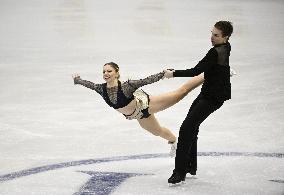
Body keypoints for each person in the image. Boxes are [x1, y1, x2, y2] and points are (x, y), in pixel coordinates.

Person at [72, 62, 204, 157]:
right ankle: (174, 141)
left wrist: (163, 74)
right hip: (138, 115)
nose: (106, 73)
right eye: (104, 71)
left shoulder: (126, 86)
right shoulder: (101, 89)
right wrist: (78, 80)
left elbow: (145, 81)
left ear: (117, 73)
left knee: (180, 93)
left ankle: (206, 75)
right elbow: (88, 84)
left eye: (109, 71)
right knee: (157, 132)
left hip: (147, 105)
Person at [164, 21, 234, 184]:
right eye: (212, 33)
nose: (212, 37)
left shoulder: (215, 52)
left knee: (186, 127)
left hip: (213, 98)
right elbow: (217, 69)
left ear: (226, 37)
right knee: (191, 127)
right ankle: (190, 166)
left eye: (216, 35)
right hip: (209, 93)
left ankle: (179, 172)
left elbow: (195, 71)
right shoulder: (227, 47)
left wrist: (172, 73)